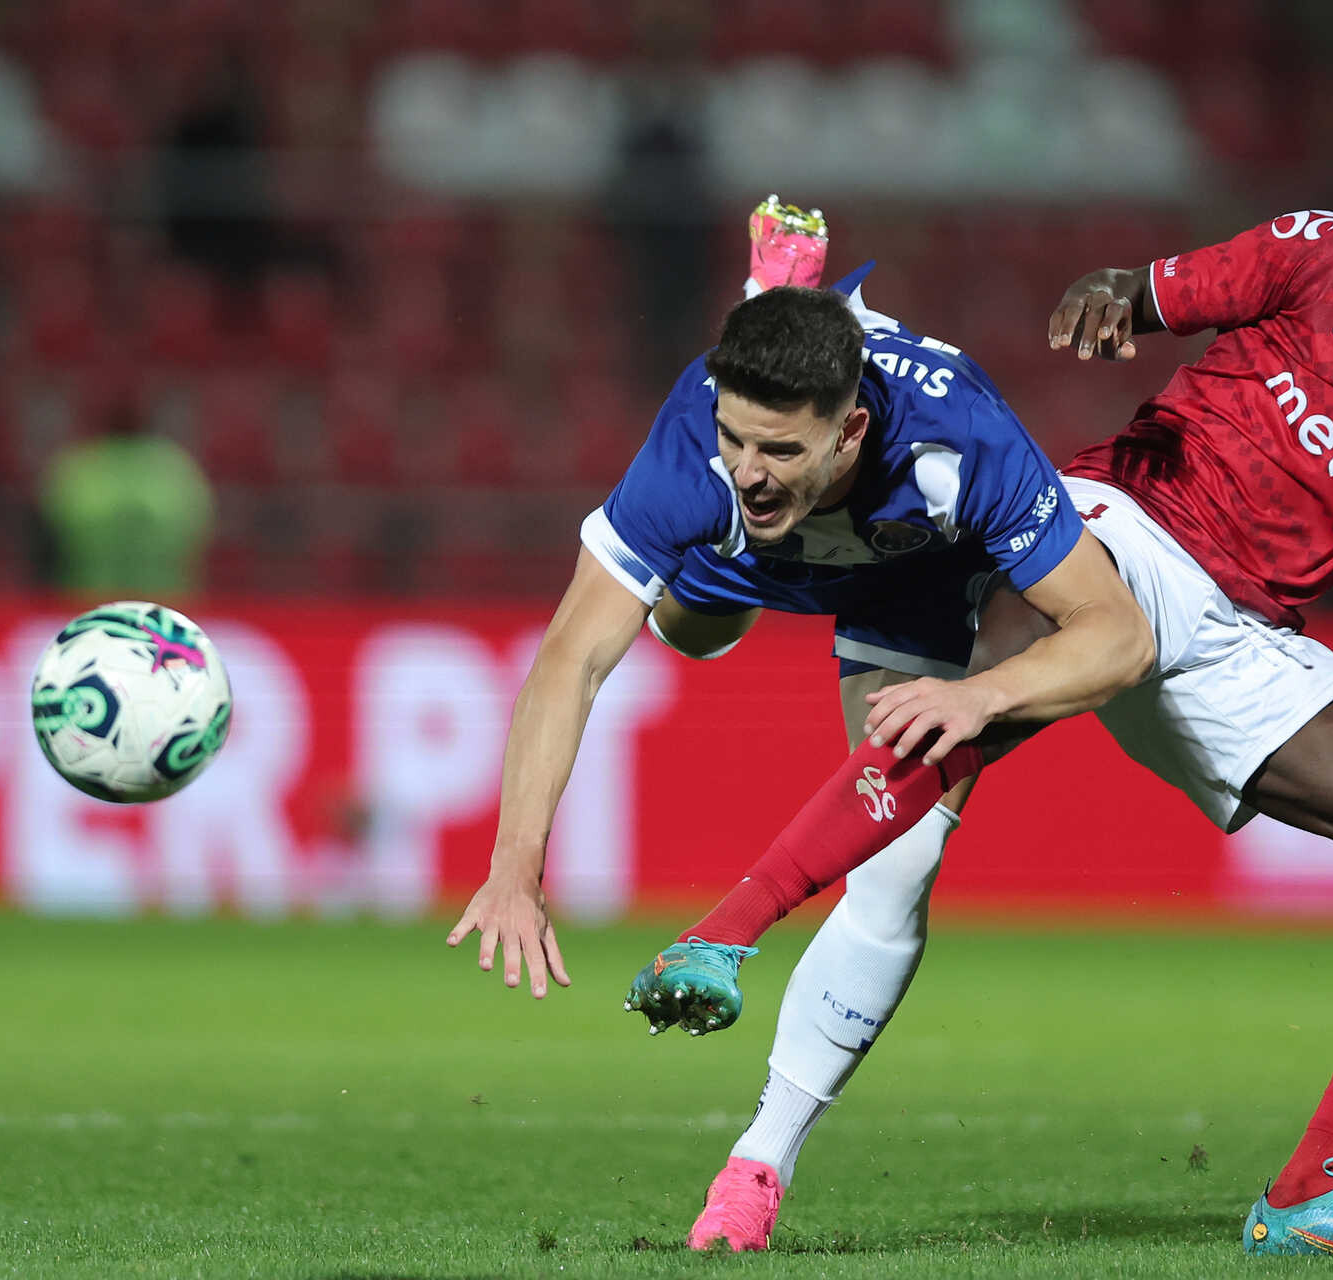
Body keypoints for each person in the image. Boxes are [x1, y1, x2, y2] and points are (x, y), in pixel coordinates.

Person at [631, 132, 1333, 1259]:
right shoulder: (1329, 253)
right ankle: (726, 945)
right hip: (1118, 534)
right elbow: (1153, 291)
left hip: (1245, 632)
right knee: (939, 766)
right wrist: (1109, 296)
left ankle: (1311, 1191)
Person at [443, 193, 1154, 1177]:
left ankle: (761, 1161)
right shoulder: (703, 451)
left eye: (779, 444)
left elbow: (1114, 628)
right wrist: (515, 863)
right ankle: (777, 298)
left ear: (854, 429)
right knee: (690, 632)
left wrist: (984, 695)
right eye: (737, 439)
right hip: (754, 562)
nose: (748, 467)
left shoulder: (960, 435)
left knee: (897, 865)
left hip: (905, 582)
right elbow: (574, 654)